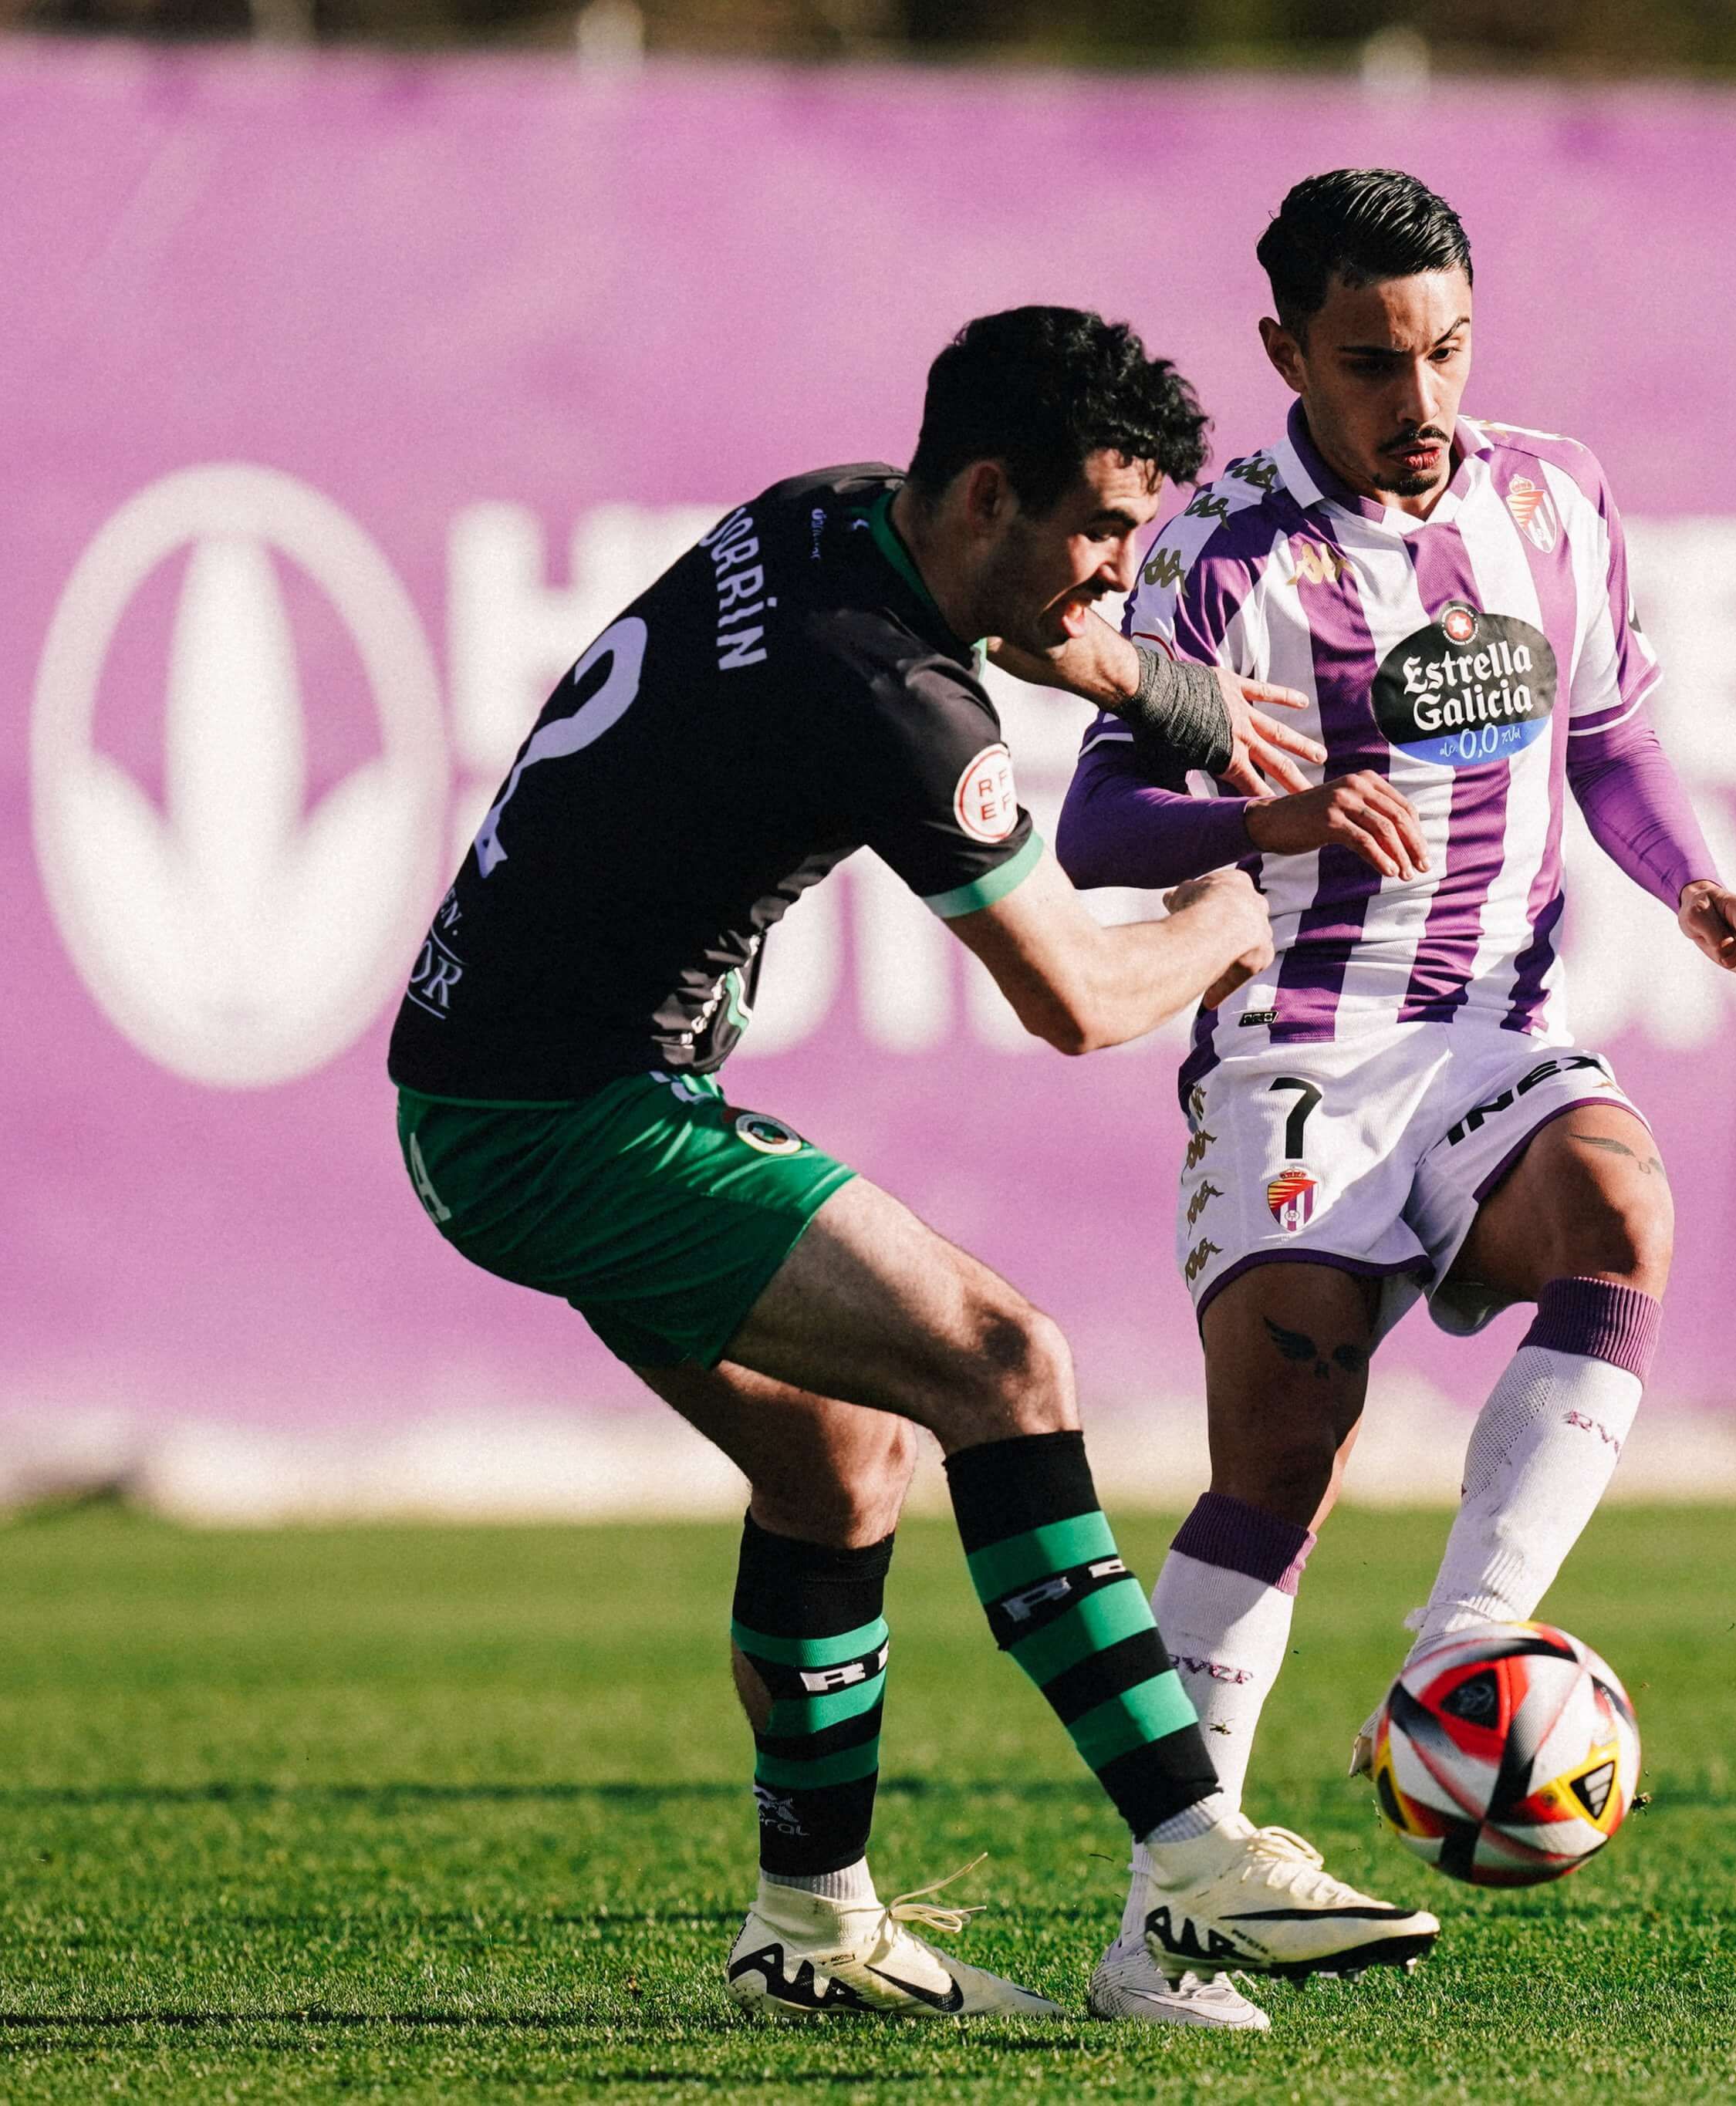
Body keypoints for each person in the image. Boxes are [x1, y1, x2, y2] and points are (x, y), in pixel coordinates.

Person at [387, 305, 1437, 2017]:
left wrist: (1169, 692)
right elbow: (1081, 1002)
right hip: (564, 1120)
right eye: (1095, 533)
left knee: (843, 1473)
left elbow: (1052, 645)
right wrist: (1225, 903)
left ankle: (807, 1930)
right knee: (1003, 1363)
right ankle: (1195, 1857)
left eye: (1136, 537)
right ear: (982, 497)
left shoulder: (832, 513)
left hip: (501, 1087)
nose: (1112, 575)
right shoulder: (885, 697)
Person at [1055, 170, 1736, 2028]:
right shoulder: (1220, 554)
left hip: (1485, 1021)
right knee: (1277, 1465)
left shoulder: (1553, 493)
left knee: (1620, 1213)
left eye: (1448, 345)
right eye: (1375, 360)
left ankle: (1468, 1638)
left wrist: (1683, 872)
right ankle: (1160, 1922)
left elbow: (1607, 730)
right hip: (1293, 1043)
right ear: (1286, 350)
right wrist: (1276, 812)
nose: (1422, 394)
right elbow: (1099, 819)